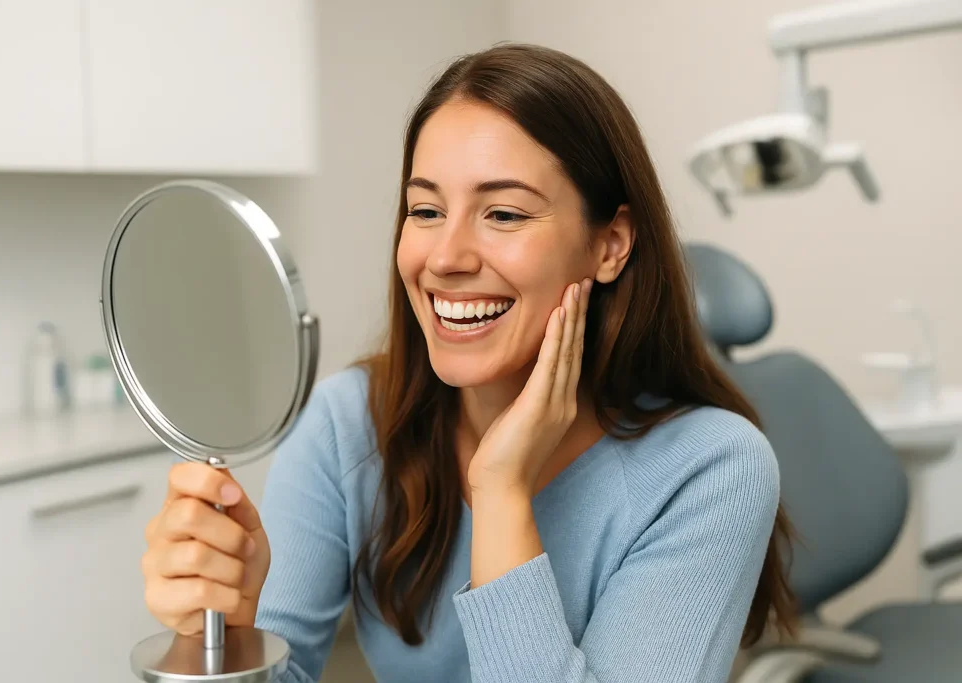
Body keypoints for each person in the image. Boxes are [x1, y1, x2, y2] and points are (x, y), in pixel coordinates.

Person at [141, 43, 796, 682]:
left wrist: (502, 491)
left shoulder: (712, 468)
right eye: (425, 209)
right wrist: (214, 643)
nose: (446, 256)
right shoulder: (347, 424)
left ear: (610, 244)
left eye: (503, 213)